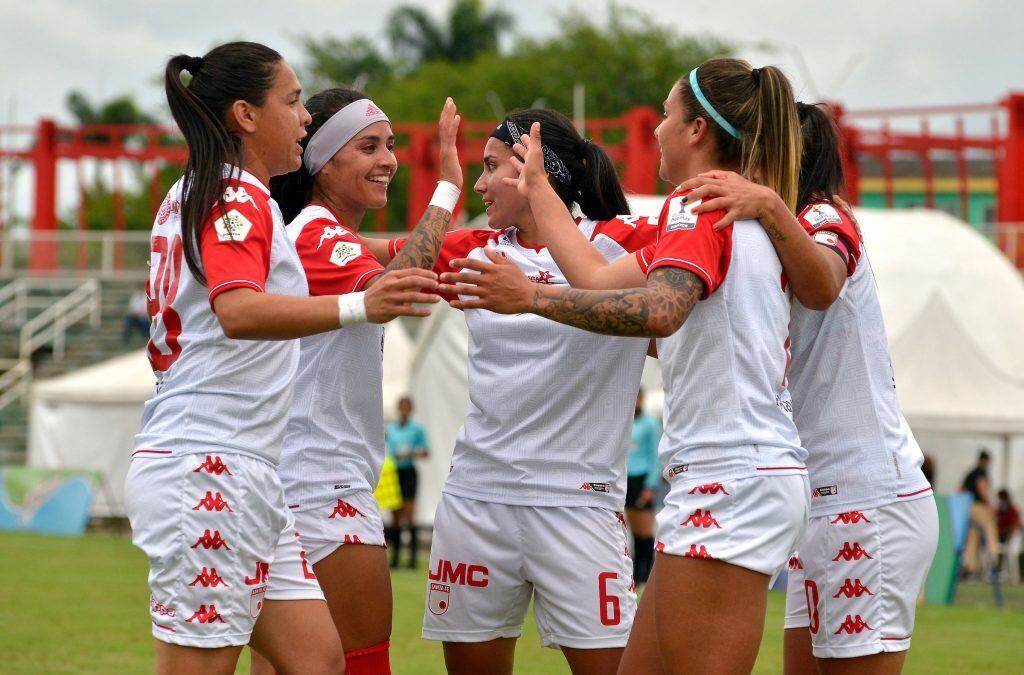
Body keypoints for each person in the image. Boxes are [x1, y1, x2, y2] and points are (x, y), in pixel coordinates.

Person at [439, 58, 810, 674]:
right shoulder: (710, 210)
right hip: (723, 473)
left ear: (695, 131)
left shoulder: (696, 206)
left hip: (732, 473)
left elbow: (660, 311)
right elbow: (594, 278)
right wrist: (539, 189)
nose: (657, 129)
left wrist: (531, 297)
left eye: (666, 115)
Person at [124, 42, 439, 675]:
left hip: (244, 467)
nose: (303, 118)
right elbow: (238, 310)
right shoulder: (236, 195)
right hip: (210, 463)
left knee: (319, 659)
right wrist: (360, 307)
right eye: (292, 102)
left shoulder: (209, 192)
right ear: (244, 114)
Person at [366, 108, 658, 675]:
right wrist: (445, 189)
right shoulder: (472, 249)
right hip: (477, 501)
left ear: (532, 171)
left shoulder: (625, 244)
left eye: (490, 167)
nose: (479, 183)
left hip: (580, 504)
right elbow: (383, 262)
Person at [676, 102, 939, 673]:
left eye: (755, 150)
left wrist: (769, 205)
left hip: (865, 499)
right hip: (819, 500)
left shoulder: (826, 217)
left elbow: (822, 286)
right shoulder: (764, 235)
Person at [253, 90, 460, 675]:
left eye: (391, 146)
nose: (389, 159)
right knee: (364, 664)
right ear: (321, 162)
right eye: (367, 146)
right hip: (326, 492)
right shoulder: (318, 234)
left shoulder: (316, 234)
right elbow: (402, 285)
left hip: (292, 485)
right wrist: (447, 185)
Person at [386, 395, 431, 570]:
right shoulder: (391, 429)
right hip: (395, 472)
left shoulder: (417, 429)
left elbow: (426, 452)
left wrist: (410, 454)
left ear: (410, 409)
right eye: (401, 407)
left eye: (406, 407)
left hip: (409, 472)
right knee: (395, 515)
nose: (404, 410)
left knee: (410, 515)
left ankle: (412, 560)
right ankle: (395, 558)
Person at [625, 388, 660, 586]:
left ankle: (645, 576)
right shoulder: (624, 421)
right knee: (626, 527)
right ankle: (634, 576)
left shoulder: (650, 423)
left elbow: (656, 456)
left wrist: (650, 486)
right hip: (623, 479)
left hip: (641, 479)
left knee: (643, 531)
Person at [962, 450, 1000, 576]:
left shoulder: (970, 473)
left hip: (969, 506)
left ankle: (969, 567)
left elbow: (962, 490)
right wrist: (989, 505)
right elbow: (982, 487)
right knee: (989, 534)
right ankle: (992, 567)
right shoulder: (981, 472)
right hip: (979, 507)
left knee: (972, 537)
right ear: (986, 461)